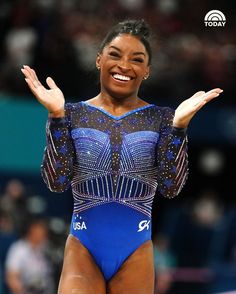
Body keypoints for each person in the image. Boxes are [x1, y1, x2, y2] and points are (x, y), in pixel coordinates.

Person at [21, 19, 223, 294]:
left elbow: (171, 187)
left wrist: (178, 128)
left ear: (147, 71)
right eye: (115, 55)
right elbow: (56, 182)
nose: (125, 65)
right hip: (83, 249)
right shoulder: (73, 114)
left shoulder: (162, 118)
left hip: (135, 253)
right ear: (98, 60)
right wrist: (56, 117)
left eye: (136, 59)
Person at [5, 218, 54, 294]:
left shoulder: (47, 248)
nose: (43, 234)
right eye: (40, 230)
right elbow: (11, 276)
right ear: (32, 231)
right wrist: (19, 290)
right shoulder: (19, 249)